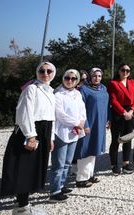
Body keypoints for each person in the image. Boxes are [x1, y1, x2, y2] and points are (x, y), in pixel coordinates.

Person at [1, 62, 56, 215]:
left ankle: (25, 204)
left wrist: (50, 137)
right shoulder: (32, 88)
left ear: (54, 73)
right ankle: (21, 207)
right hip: (31, 131)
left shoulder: (51, 91)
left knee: (35, 168)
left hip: (44, 131)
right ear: (37, 72)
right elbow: (24, 113)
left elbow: (52, 116)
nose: (45, 73)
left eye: (49, 71)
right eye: (42, 70)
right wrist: (31, 136)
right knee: (24, 168)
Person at [49, 69, 86, 202]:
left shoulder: (77, 94)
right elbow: (60, 115)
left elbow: (82, 110)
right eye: (67, 78)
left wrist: (82, 122)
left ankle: (61, 185)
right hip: (61, 133)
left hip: (74, 133)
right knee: (58, 164)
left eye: (73, 79)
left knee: (67, 162)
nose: (69, 81)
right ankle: (54, 191)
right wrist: (77, 123)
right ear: (63, 78)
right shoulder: (58, 94)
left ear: (76, 81)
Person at [75, 67, 109, 188]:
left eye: (99, 76)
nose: (97, 78)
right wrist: (85, 125)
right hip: (89, 124)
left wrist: (108, 119)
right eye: (94, 76)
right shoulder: (83, 90)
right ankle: (81, 178)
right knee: (85, 149)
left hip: (100, 124)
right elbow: (80, 109)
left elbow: (106, 106)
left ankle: (89, 174)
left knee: (94, 149)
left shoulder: (103, 88)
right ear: (90, 76)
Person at [107, 64, 134, 174]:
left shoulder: (133, 82)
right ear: (119, 71)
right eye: (123, 70)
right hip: (118, 112)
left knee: (127, 138)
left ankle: (126, 162)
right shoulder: (113, 83)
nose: (125, 72)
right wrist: (123, 112)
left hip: (130, 112)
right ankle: (114, 164)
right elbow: (113, 100)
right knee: (116, 139)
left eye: (127, 70)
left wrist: (131, 111)